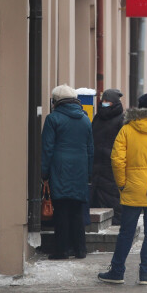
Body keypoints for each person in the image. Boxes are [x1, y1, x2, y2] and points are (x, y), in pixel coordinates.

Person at [98, 93, 147, 285]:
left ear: (137, 107)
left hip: (132, 187)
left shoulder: (127, 129)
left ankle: (117, 271)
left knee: (126, 231)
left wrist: (122, 183)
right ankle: (145, 274)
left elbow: (117, 159)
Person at [41, 84, 93, 260]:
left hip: (59, 169)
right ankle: (80, 249)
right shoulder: (85, 120)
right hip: (80, 169)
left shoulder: (52, 119)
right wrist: (89, 172)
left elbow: (47, 149)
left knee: (61, 209)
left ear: (56, 101)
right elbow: (90, 149)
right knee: (77, 209)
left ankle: (62, 250)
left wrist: (44, 173)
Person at [91, 88, 125, 225]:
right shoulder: (97, 118)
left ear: (114, 102)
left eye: (107, 101)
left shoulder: (121, 120)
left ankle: (115, 223)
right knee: (97, 195)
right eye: (103, 100)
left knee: (112, 196)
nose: (104, 103)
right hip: (96, 164)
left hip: (111, 165)